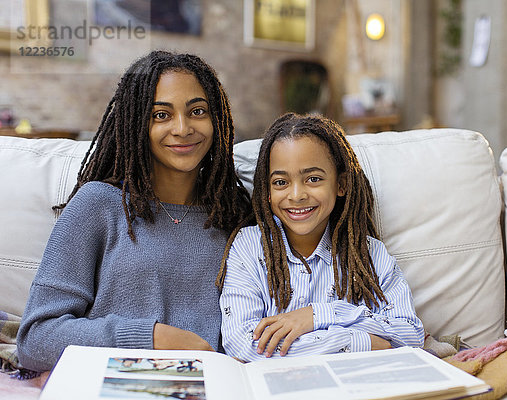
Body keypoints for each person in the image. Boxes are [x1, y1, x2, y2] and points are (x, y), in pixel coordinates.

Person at [16, 51, 251, 372]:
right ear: (135, 122)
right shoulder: (97, 204)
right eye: (161, 115)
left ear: (218, 119)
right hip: (122, 383)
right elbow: (36, 340)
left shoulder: (236, 212)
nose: (182, 128)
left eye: (197, 111)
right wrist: (151, 337)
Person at [216, 113, 424, 362]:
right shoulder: (249, 247)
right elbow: (242, 343)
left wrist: (319, 315)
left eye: (313, 179)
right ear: (267, 192)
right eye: (281, 182)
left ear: (341, 184)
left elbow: (410, 335)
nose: (296, 195)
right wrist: (362, 341)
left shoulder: (370, 254)